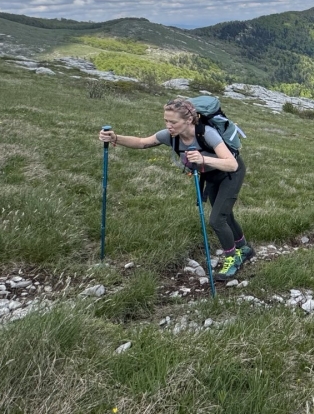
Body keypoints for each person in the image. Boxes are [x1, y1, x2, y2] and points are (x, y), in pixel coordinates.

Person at [97, 98, 252, 281]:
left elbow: (232, 164)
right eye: (166, 121)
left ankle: (232, 258)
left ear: (189, 120)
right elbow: (142, 142)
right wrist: (115, 138)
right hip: (210, 176)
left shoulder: (207, 133)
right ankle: (244, 248)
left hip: (230, 175)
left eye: (173, 122)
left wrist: (202, 159)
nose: (168, 126)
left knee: (217, 220)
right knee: (225, 215)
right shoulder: (169, 136)